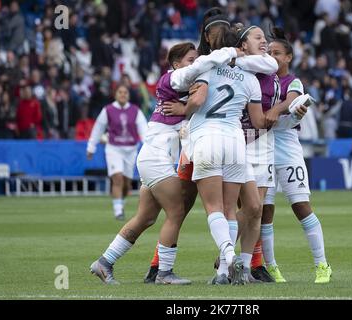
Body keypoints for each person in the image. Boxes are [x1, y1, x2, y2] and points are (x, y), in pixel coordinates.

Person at [89, 40, 246, 285]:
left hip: (153, 158)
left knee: (145, 218)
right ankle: (164, 273)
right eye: (190, 60)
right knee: (176, 211)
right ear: (176, 64)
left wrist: (186, 109)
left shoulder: (182, 91)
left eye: (195, 59)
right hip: (156, 160)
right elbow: (197, 73)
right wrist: (228, 52)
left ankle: (104, 262)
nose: (195, 64)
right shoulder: (170, 78)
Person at [185, 27, 272, 285]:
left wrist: (182, 109)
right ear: (241, 47)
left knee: (213, 209)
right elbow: (257, 121)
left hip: (207, 138)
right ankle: (227, 271)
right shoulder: (251, 79)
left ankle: (227, 258)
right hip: (236, 142)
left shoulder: (205, 68)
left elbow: (193, 98)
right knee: (230, 210)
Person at [252, 27, 332, 284]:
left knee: (301, 206)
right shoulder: (260, 79)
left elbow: (293, 100)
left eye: (277, 53)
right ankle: (271, 267)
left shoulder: (293, 81)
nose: (272, 56)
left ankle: (322, 265)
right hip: (262, 146)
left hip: (286, 147)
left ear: (288, 58)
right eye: (269, 52)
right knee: (264, 211)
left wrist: (280, 110)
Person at [86, 85, 148, 220]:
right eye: (120, 92)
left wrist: (148, 145)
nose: (123, 94)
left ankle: (120, 201)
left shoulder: (135, 111)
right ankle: (118, 211)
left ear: (128, 95)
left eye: (125, 92)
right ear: (115, 95)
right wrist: (91, 147)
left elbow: (144, 130)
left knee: (126, 184)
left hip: (131, 150)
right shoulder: (108, 110)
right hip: (113, 149)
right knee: (117, 178)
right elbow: (98, 128)